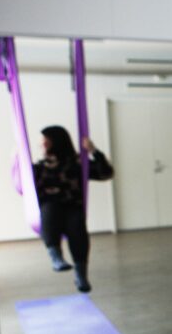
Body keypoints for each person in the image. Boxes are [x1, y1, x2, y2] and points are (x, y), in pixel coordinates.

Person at [34, 125, 114, 292]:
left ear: (54, 142)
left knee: (77, 227)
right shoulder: (39, 167)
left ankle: (81, 275)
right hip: (50, 210)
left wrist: (93, 151)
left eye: (44, 140)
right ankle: (56, 257)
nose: (41, 144)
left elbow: (105, 173)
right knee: (50, 209)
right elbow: (25, 186)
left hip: (72, 207)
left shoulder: (77, 163)